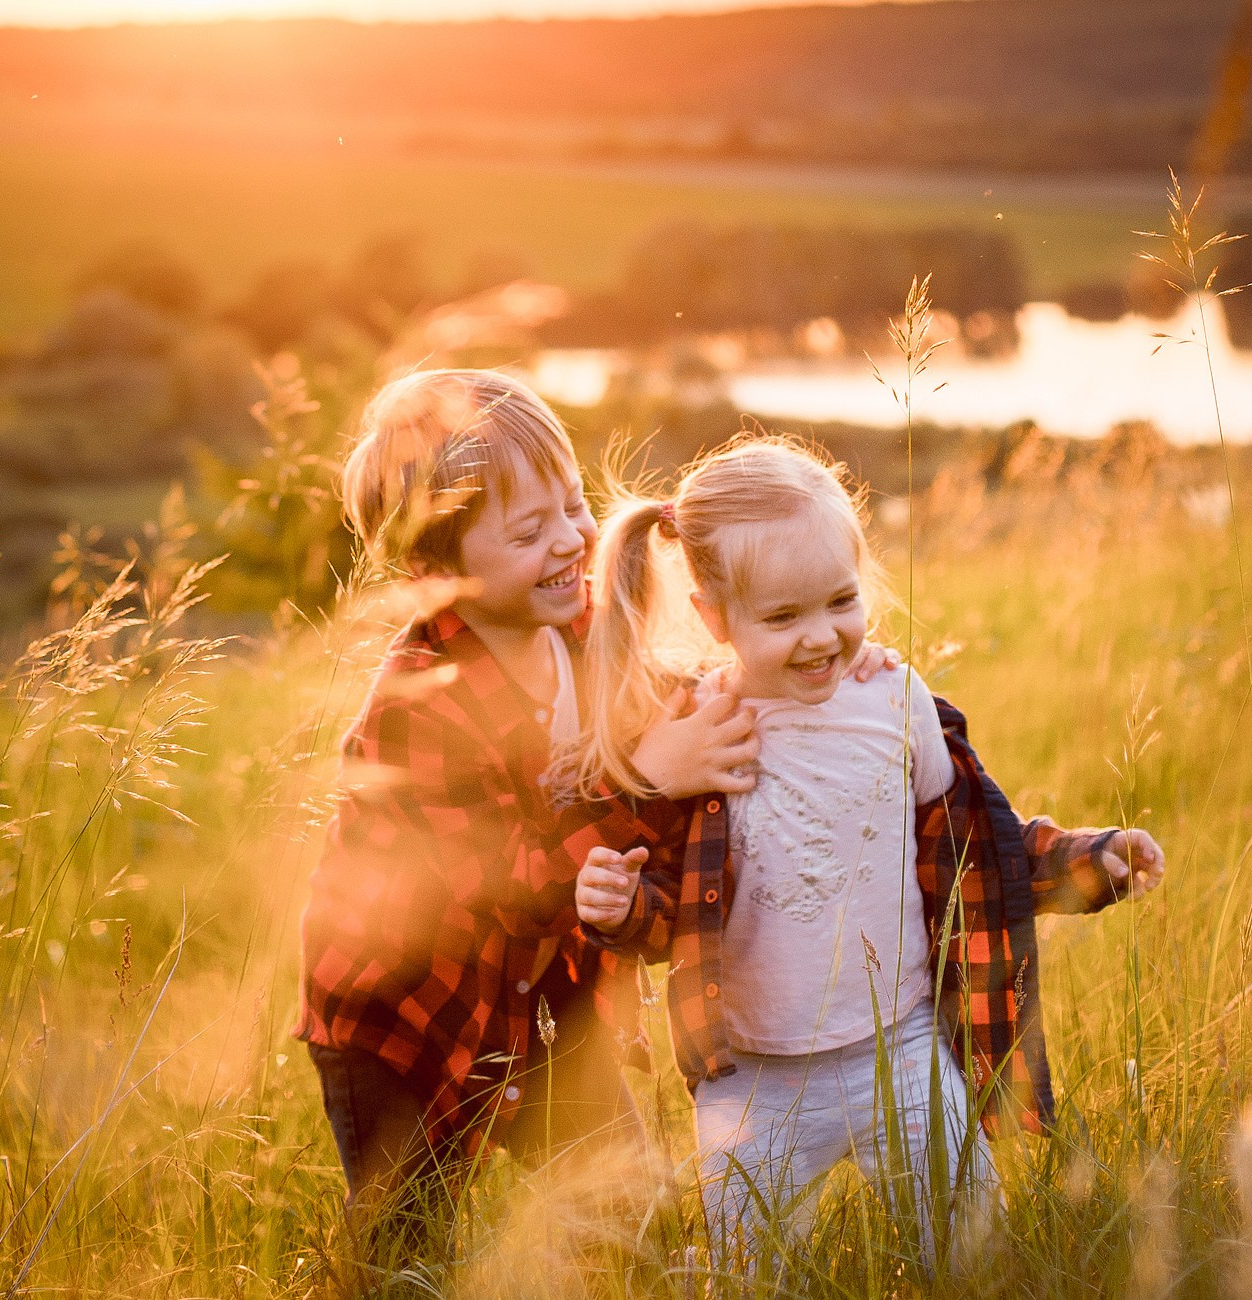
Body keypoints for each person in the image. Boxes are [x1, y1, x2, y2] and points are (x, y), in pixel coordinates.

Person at [294, 373, 893, 1272]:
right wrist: (652, 775)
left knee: (626, 1212)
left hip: (540, 996)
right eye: (529, 531)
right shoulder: (419, 707)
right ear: (434, 569)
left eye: (572, 506)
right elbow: (525, 886)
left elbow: (657, 700)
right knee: (404, 1247)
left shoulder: (573, 621)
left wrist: (795, 669)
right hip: (406, 1013)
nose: (571, 539)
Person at [564, 434, 1166, 1268]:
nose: (821, 638)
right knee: (751, 1270)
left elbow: (979, 848)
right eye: (782, 617)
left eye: (840, 602)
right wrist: (621, 905)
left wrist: (1091, 861)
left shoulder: (898, 702)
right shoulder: (702, 732)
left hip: (905, 1051)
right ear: (715, 618)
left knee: (968, 1255)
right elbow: (667, 902)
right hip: (755, 1078)